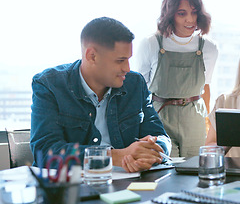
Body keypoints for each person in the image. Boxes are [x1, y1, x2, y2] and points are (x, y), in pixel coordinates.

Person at [30, 17, 171, 173]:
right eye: (120, 60)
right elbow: (45, 152)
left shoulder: (135, 83)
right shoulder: (49, 85)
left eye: (129, 59)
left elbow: (160, 136)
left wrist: (151, 151)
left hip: (129, 184)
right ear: (92, 56)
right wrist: (116, 156)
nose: (127, 68)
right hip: (71, 188)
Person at [135, 0, 218, 157]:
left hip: (194, 119)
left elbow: (206, 88)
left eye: (194, 12)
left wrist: (208, 124)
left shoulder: (208, 48)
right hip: (160, 117)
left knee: (194, 172)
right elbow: (139, 91)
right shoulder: (151, 44)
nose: (190, 20)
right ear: (170, 14)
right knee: (164, 170)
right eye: (182, 14)